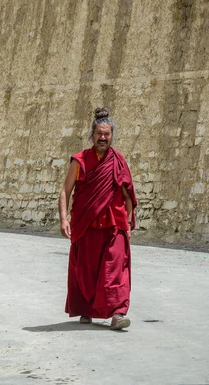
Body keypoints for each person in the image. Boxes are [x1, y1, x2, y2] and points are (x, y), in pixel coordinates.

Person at [58, 107, 137, 330]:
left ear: (112, 136)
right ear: (92, 135)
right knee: (86, 270)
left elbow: (127, 194)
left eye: (107, 134)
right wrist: (64, 219)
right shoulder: (80, 161)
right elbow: (66, 191)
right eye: (99, 134)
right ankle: (86, 309)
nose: (103, 138)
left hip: (115, 224)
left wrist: (129, 222)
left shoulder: (118, 160)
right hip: (86, 225)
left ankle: (117, 313)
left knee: (116, 269)